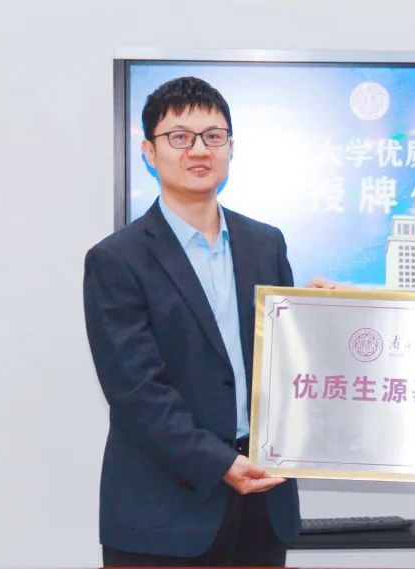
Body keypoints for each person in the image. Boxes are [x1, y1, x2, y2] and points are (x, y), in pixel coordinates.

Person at [83, 76, 299, 566]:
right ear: (149, 151)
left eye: (213, 136)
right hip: (163, 511)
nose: (199, 150)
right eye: (179, 137)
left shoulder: (266, 244)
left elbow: (289, 360)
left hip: (261, 501)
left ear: (230, 148)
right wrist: (220, 462)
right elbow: (136, 391)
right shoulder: (116, 259)